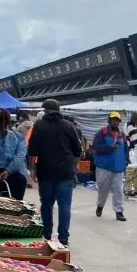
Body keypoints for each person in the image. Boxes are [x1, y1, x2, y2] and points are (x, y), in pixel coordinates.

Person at [27, 98, 82, 247]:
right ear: (59, 110)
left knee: (46, 204)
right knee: (65, 205)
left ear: (45, 111)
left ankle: (46, 235)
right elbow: (78, 150)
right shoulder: (69, 126)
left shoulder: (39, 126)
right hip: (66, 172)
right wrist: (75, 165)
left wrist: (32, 170)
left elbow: (32, 150)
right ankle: (63, 238)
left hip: (46, 172)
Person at [91, 110, 129, 221]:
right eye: (113, 119)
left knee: (118, 190)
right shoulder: (102, 132)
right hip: (104, 167)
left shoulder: (122, 136)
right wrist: (108, 148)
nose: (115, 122)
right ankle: (100, 205)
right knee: (103, 190)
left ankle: (119, 211)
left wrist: (126, 160)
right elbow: (95, 148)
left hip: (118, 168)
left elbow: (126, 150)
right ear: (109, 120)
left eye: (117, 120)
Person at [124, 112, 137, 196]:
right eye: (134, 118)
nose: (135, 120)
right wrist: (130, 147)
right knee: (131, 169)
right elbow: (125, 137)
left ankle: (136, 189)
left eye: (136, 119)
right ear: (131, 118)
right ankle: (128, 189)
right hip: (133, 150)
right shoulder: (127, 125)